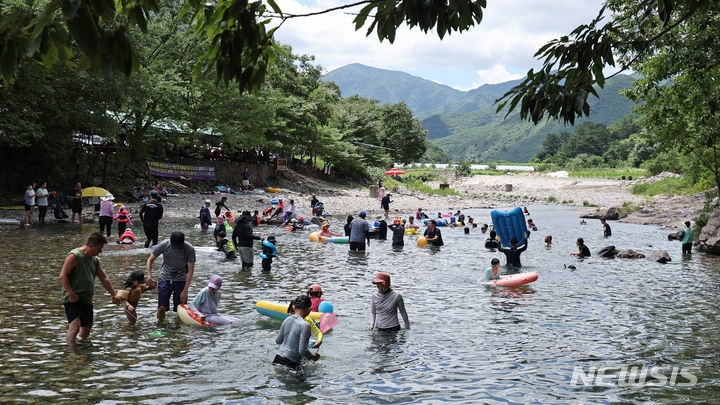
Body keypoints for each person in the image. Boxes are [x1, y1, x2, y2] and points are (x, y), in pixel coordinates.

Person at [59, 232, 121, 340]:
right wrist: (70, 293)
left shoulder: (95, 260)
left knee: (87, 329)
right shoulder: (74, 256)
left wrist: (114, 295)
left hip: (86, 299)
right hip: (73, 298)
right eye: (100, 248)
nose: (101, 251)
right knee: (75, 328)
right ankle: (71, 353)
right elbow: (63, 276)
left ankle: (83, 351)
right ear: (91, 246)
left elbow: (104, 278)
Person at [146, 231, 196, 321]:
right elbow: (150, 260)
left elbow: (191, 271)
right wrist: (149, 277)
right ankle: (160, 326)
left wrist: (185, 290)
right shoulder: (164, 245)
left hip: (181, 279)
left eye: (178, 247)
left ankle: (178, 332)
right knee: (162, 307)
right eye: (175, 247)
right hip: (165, 277)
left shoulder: (189, 249)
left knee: (180, 309)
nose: (176, 249)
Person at [273, 295, 320, 370]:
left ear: (294, 307)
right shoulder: (305, 325)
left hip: (277, 359)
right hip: (290, 364)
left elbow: (278, 341)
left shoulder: (287, 320)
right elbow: (302, 350)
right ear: (309, 309)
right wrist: (313, 357)